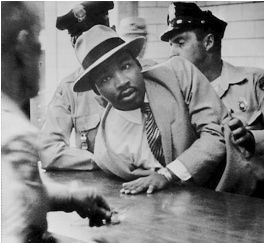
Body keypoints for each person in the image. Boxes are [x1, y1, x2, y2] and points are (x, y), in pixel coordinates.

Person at [1, 2, 112, 242]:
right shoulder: (14, 134)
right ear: (23, 46)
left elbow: (14, 191)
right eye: (38, 43)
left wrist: (71, 198)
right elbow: (15, 230)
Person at [71, 25, 227, 194]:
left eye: (125, 67)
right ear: (96, 90)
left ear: (139, 65)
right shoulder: (107, 154)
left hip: (230, 190)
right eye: (106, 78)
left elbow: (216, 133)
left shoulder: (178, 74)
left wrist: (167, 174)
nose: (122, 82)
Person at [160, 2, 264, 201]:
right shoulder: (177, 95)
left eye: (181, 43)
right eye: (171, 45)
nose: (172, 53)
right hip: (212, 197)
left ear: (208, 42)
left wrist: (253, 139)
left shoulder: (254, 82)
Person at [38, 1, 114, 171]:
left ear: (113, 31)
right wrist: (104, 162)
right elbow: (48, 151)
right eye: (80, 41)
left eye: (98, 36)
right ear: (73, 45)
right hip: (99, 185)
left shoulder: (143, 74)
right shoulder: (69, 88)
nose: (90, 47)